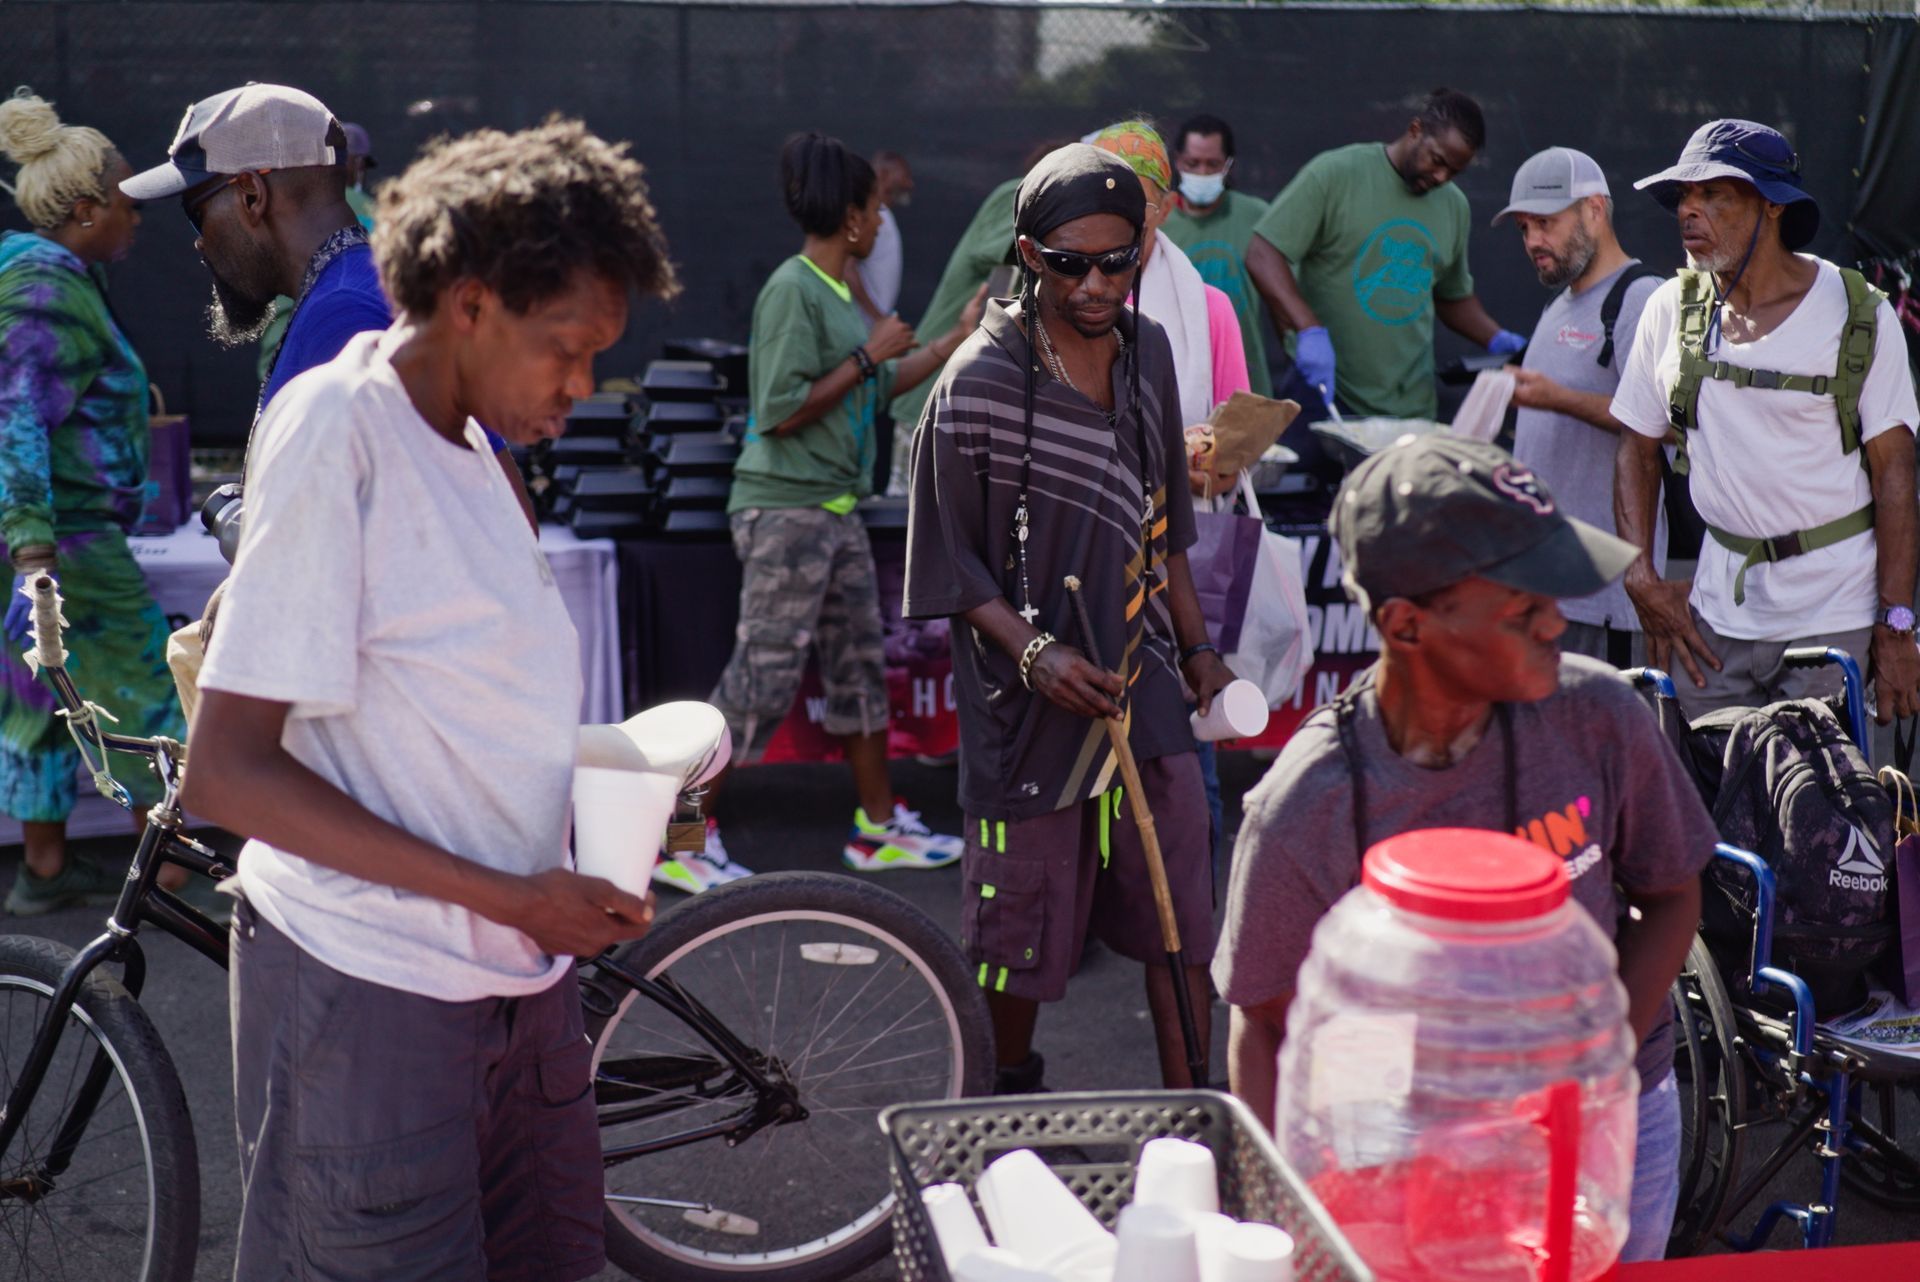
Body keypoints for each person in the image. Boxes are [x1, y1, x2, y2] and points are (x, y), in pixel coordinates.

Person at [180, 116, 675, 1280]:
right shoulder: (339, 426)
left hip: (520, 997)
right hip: (371, 1004)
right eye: (565, 347)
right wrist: (514, 891)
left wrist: (589, 813)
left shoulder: (473, 449)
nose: (583, 387)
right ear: (469, 302)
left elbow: (447, 706)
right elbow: (229, 770)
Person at [1214, 435, 1715, 1261]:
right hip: (1401, 1142)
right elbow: (1266, 1026)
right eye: (1523, 612)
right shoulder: (1307, 806)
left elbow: (1671, 895)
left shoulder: (1601, 719)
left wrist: (1592, 1074)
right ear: (1407, 625)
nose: (1558, 621)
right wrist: (1289, 1220)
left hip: (1611, 1124)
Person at [905, 143, 1235, 1092]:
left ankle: (1197, 1118)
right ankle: (1005, 1104)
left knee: (1181, 927)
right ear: (1025, 252)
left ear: (1144, 251)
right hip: (1030, 713)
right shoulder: (976, 381)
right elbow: (951, 566)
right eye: (1067, 263)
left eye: (1115, 262)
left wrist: (1202, 647)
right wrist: (1036, 653)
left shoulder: (1149, 354)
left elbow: (1164, 526)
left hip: (1147, 688)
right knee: (1018, 944)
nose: (1094, 285)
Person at [698, 132, 980, 894]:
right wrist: (867, 355)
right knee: (759, 682)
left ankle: (879, 829)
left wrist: (957, 339)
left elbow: (873, 389)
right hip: (787, 514)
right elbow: (779, 409)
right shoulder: (793, 289)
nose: (883, 221)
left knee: (860, 673)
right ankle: (676, 838)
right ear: (850, 215)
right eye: (877, 207)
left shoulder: (841, 291)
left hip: (836, 512)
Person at [1611, 120, 1920, 727]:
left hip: (1832, 618)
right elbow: (1634, 446)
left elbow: (1897, 479)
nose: (1688, 212)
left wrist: (1898, 624)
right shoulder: (1668, 310)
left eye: (1714, 195)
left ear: (1773, 206)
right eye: (1683, 198)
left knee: (1821, 812)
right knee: (1708, 806)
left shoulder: (1859, 315)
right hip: (1712, 624)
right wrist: (1640, 575)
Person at [0, 89, 185, 916]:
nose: (136, 216)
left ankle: (43, 870)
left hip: (44, 537)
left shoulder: (33, 273)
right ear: (84, 209)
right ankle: (174, 883)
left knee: (38, 694)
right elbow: (15, 416)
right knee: (148, 691)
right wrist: (35, 546)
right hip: (67, 541)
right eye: (123, 200)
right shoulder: (47, 285)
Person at [1246, 88, 1521, 485]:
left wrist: (1497, 341)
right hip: (1327, 400)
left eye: (1454, 172)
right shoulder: (1336, 174)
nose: (1441, 177)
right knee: (1313, 527)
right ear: (1415, 130)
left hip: (1411, 411)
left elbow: (1452, 296)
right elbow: (1262, 253)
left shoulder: (1453, 205)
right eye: (1438, 161)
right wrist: (1308, 329)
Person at [1495, 146, 1666, 668]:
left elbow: (1671, 427)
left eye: (1545, 223)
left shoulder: (1642, 299)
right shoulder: (1559, 304)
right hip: (1540, 594)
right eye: (1524, 228)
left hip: (1603, 604)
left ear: (1594, 210)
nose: (1532, 242)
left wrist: (1557, 399)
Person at [1089, 120, 1251, 430]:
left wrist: (1201, 472)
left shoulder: (1210, 310)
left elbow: (1234, 436)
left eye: (1138, 202)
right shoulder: (1062, 301)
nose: (1122, 218)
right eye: (1106, 202)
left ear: (1165, 209)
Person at [1163, 113, 1273, 398]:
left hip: (1245, 375)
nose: (1201, 173)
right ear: (1177, 161)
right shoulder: (1158, 221)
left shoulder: (1257, 217)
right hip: (1176, 376)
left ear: (1228, 165)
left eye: (1212, 165)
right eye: (1192, 163)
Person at [849, 148, 912, 326]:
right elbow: (848, 269)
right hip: (862, 335)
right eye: (904, 175)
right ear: (883, 174)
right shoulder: (870, 218)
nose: (909, 184)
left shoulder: (883, 217)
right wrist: (879, 320)